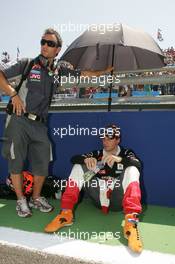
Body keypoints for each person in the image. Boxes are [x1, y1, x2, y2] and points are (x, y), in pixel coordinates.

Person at [0, 28, 111, 218]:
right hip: (18, 119)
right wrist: (13, 94)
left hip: (40, 124)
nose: (45, 46)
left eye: (50, 44)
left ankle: (35, 198)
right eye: (43, 42)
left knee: (43, 162)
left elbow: (81, 73)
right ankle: (20, 201)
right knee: (16, 163)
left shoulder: (58, 70)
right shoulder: (28, 64)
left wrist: (102, 72)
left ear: (58, 49)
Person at [44, 124, 143, 253]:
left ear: (118, 140)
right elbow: (73, 158)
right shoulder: (96, 153)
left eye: (110, 138)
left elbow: (137, 163)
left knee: (132, 169)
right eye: (103, 138)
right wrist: (86, 159)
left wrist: (119, 159)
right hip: (98, 197)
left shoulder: (126, 153)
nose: (105, 141)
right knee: (78, 166)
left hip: (117, 200)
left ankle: (131, 223)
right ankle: (65, 214)